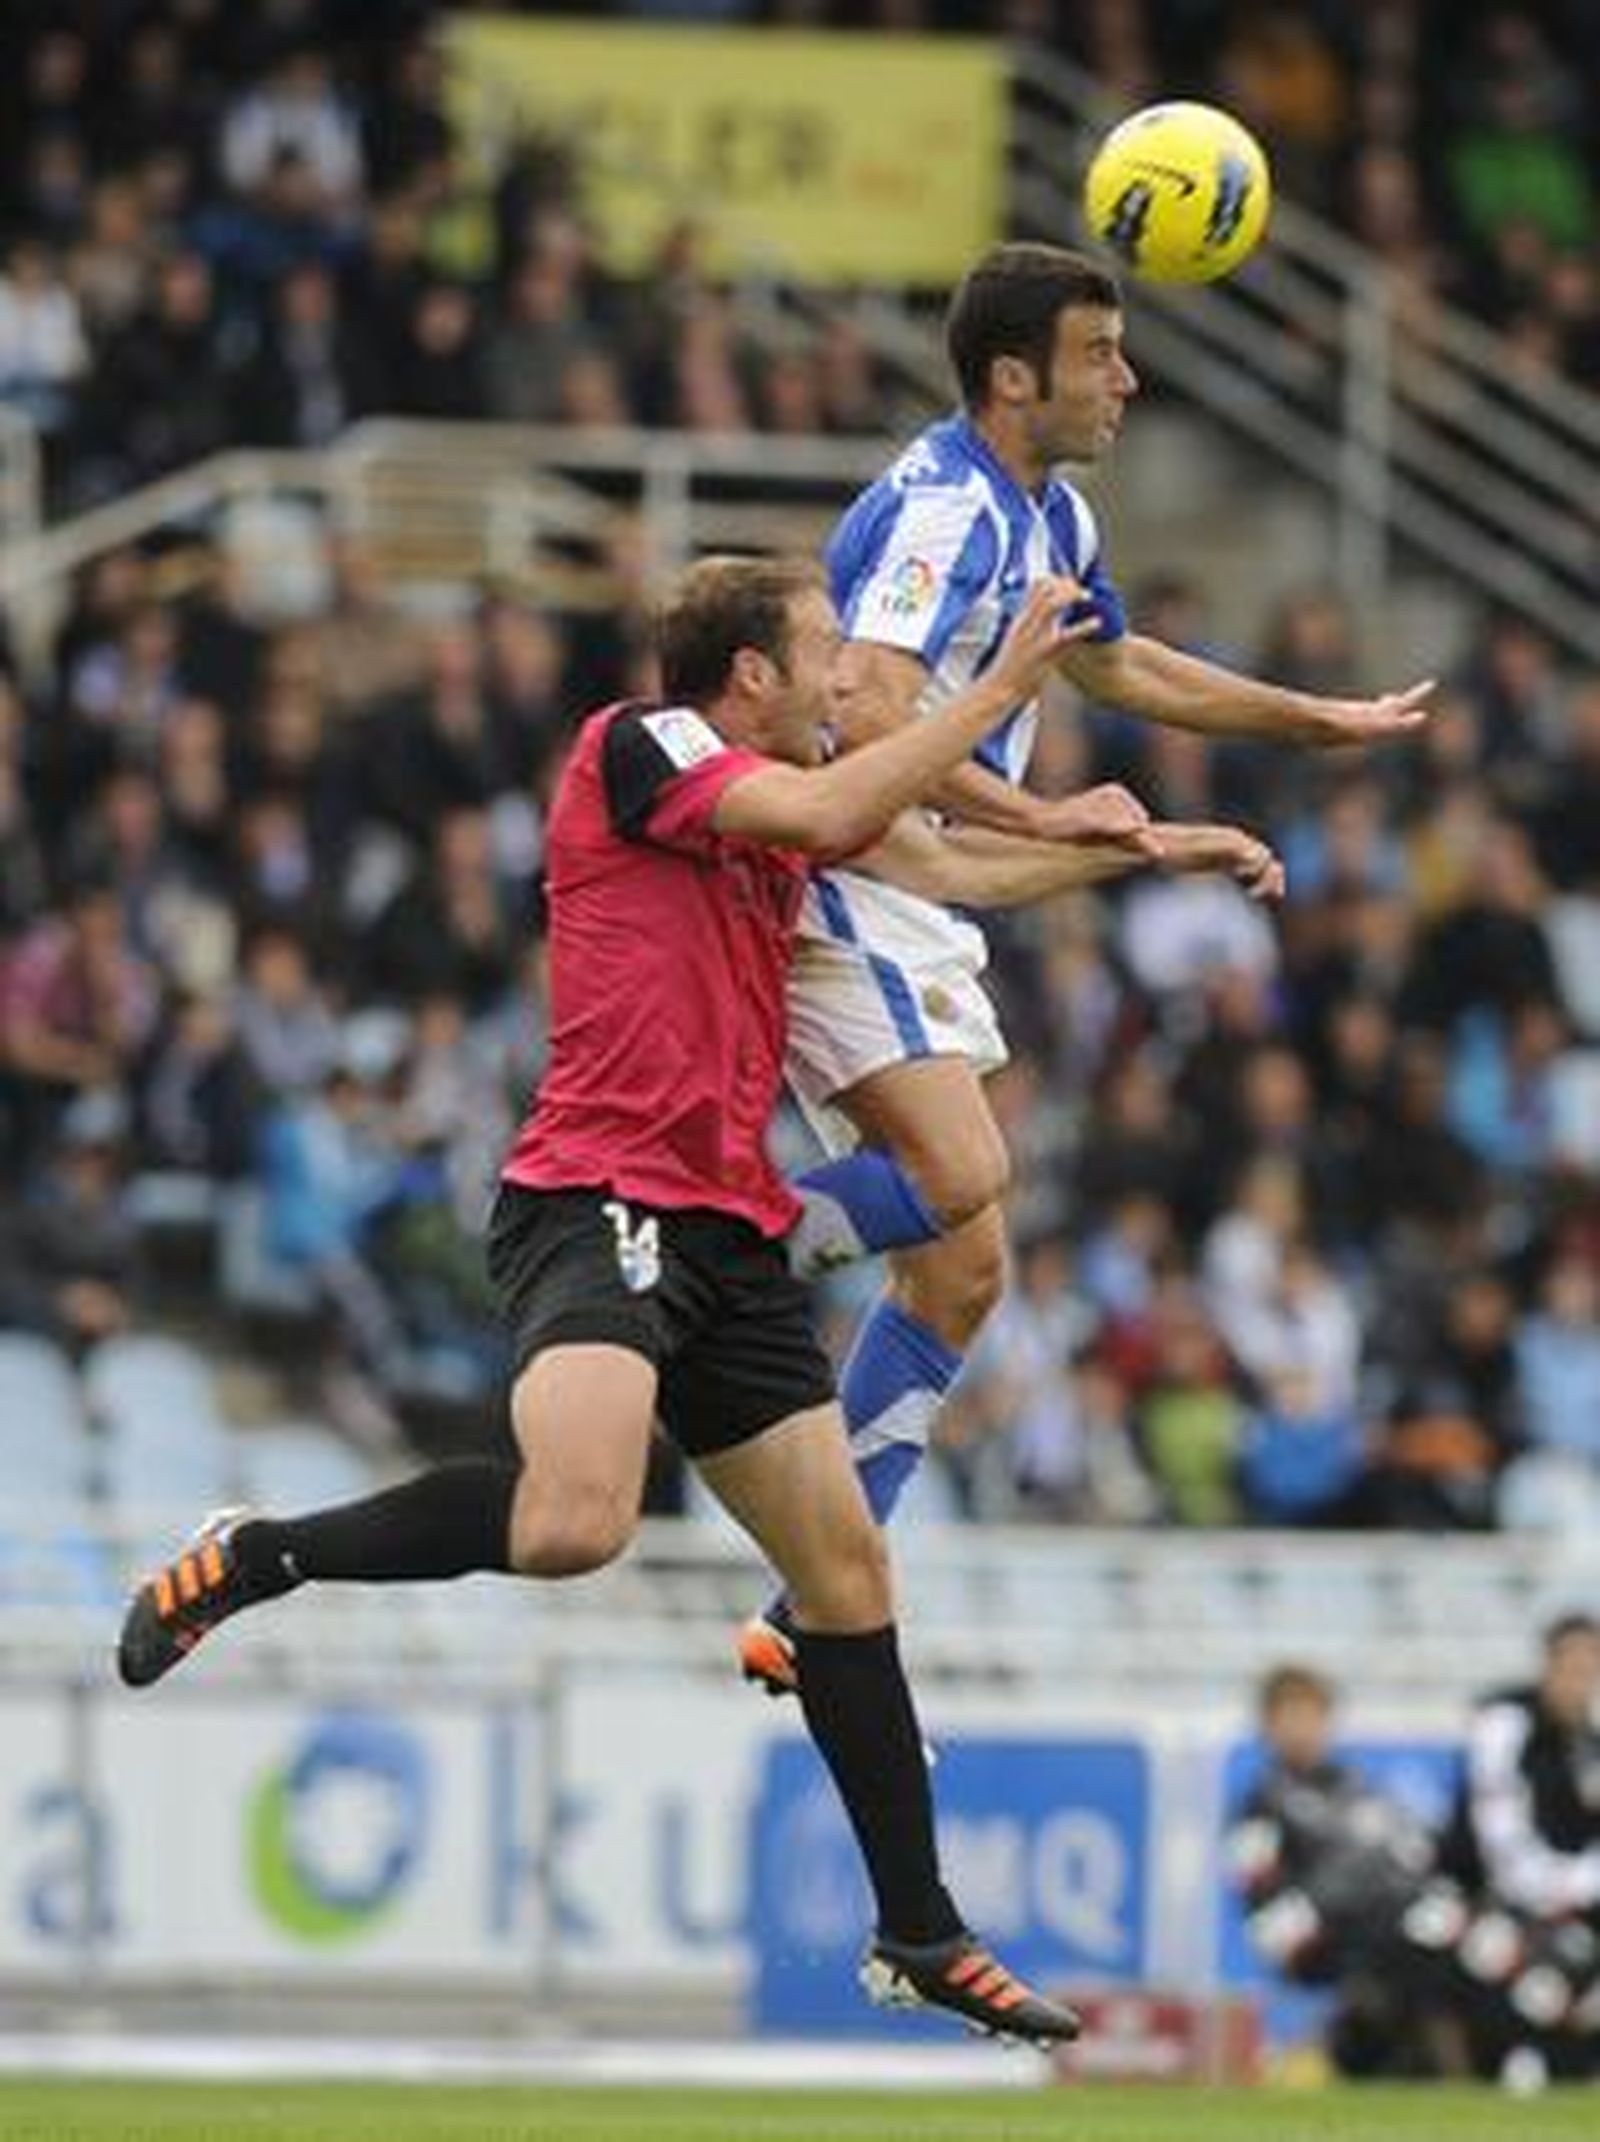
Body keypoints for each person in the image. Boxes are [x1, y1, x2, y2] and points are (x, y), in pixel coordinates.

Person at [116, 554, 1275, 2044]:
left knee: (846, 1577)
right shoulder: (638, 744)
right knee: (574, 1523)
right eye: (825, 653)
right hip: (599, 1193)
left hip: (727, 1228)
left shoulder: (793, 806)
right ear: (751, 675)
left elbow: (944, 869)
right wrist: (1003, 685)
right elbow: (836, 813)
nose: (845, 676)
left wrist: (1144, 851)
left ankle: (919, 1931)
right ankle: (257, 1554)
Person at [739, 242, 1434, 1695]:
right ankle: (701, 1249)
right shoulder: (944, 507)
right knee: (960, 1173)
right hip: (857, 866)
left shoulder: (1051, 511)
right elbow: (866, 708)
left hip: (930, 878)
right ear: (1014, 377)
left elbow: (1122, 667)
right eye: (1099, 354)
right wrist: (1042, 814)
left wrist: (1314, 718)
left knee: (963, 1272)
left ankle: (810, 1594)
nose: (1127, 378)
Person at [1228, 1664, 1479, 2078]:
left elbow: (1411, 1855)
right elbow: (1265, 1911)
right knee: (1407, 1957)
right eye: (1291, 1717)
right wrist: (1343, 1892)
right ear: (1268, 1726)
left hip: (1384, 1928)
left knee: (1452, 1935)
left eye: (1312, 1716)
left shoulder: (1357, 1786)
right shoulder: (1258, 1807)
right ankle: (1364, 2050)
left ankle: (1426, 2062)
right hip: (1317, 1939)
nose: (1303, 1730)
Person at [1440, 1613, 1600, 2080]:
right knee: (1531, 1969)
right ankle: (1520, 2063)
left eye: (1590, 1668)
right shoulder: (1505, 1728)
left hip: (1575, 1906)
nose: (1580, 1682)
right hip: (1490, 1899)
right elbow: (1505, 1852)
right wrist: (1579, 1887)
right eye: (1571, 1667)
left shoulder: (1589, 1740)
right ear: (1547, 1667)